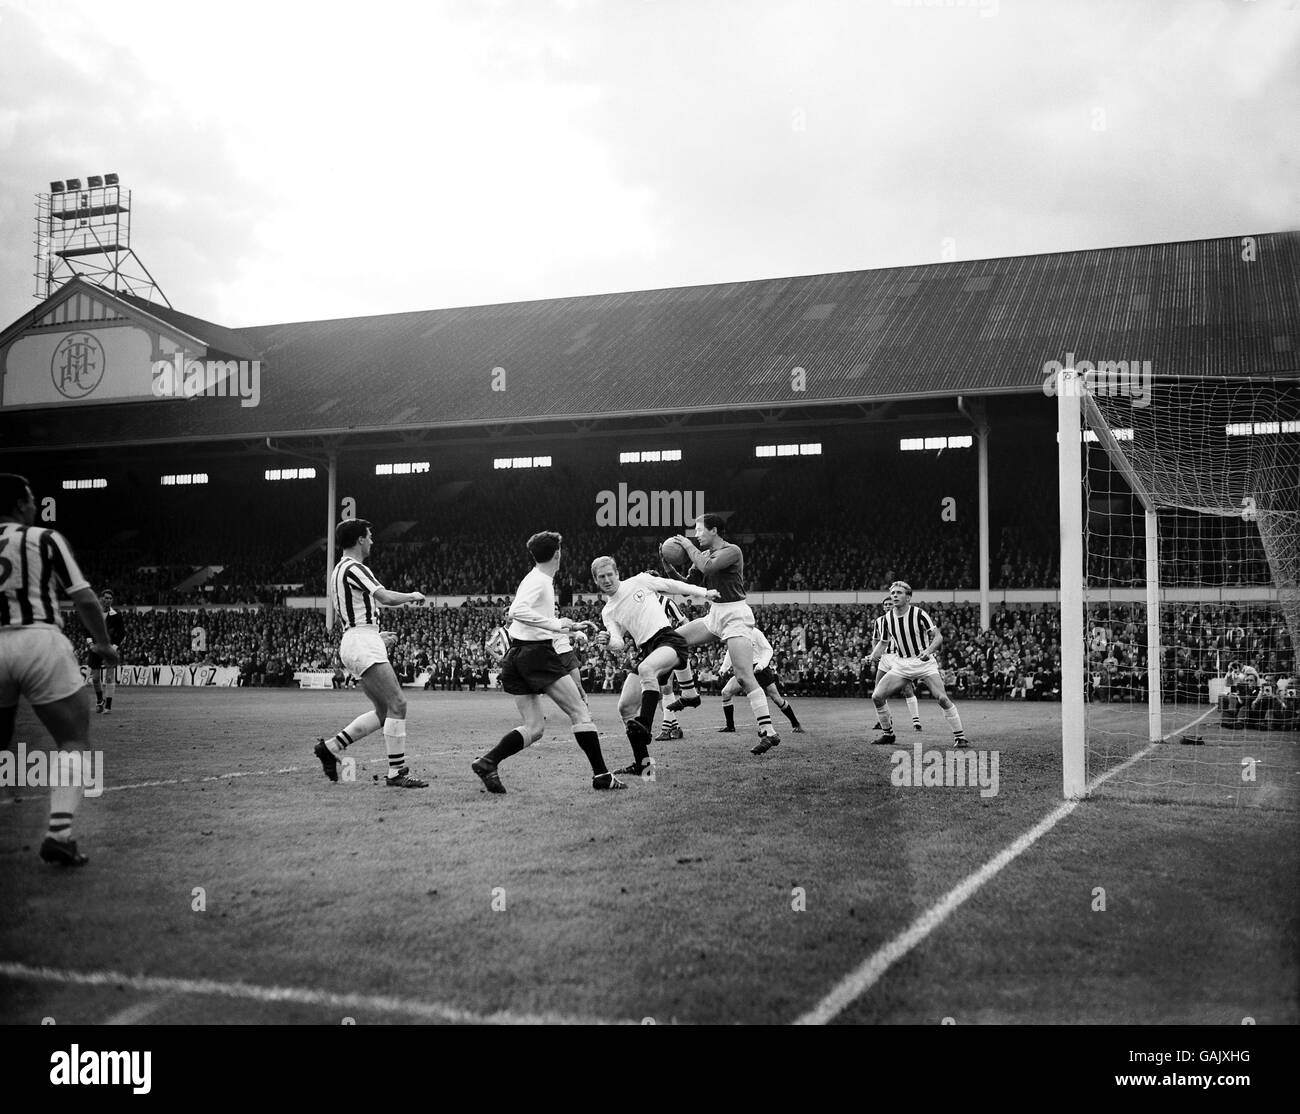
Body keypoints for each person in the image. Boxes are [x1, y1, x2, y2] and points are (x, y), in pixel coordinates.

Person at [0, 474, 118, 866]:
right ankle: (60, 833)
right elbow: (83, 597)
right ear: (20, 504)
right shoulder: (45, 539)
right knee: (72, 739)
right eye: (31, 498)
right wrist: (102, 642)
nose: (35, 505)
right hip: (39, 640)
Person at [471, 531, 625, 793]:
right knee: (580, 712)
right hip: (536, 655)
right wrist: (555, 623)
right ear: (557, 554)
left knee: (535, 727)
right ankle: (602, 776)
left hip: (518, 655)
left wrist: (569, 627)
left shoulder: (535, 578)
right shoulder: (541, 580)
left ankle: (488, 762)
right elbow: (516, 611)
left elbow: (530, 620)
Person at [313, 518, 429, 787]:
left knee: (383, 711)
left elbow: (355, 615)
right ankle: (397, 773)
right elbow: (385, 597)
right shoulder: (355, 567)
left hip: (357, 639)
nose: (373, 541)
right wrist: (412, 595)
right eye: (370, 536)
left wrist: (376, 636)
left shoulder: (338, 570)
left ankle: (330, 747)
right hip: (362, 642)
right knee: (398, 704)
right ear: (361, 540)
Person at [666, 515, 782, 754]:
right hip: (716, 614)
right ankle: (689, 694)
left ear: (714, 530)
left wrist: (687, 547)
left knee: (743, 676)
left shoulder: (732, 551)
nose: (695, 536)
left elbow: (707, 567)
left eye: (699, 531)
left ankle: (768, 731)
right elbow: (690, 584)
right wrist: (668, 568)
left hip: (735, 615)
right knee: (673, 640)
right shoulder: (704, 556)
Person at [591, 555, 717, 775]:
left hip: (669, 640)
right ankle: (644, 765)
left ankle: (646, 727)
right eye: (601, 577)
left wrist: (704, 592)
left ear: (617, 573)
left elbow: (671, 585)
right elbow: (619, 643)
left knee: (646, 670)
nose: (607, 579)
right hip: (646, 650)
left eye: (610, 574)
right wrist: (608, 641)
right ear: (596, 580)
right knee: (625, 707)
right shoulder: (607, 611)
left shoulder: (639, 581)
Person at [868, 581, 968, 749]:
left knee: (942, 698)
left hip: (924, 663)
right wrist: (873, 655)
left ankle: (961, 737)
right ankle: (888, 734)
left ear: (908, 597)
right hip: (901, 664)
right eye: (893, 593)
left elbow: (938, 637)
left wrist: (928, 651)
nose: (894, 596)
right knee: (877, 696)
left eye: (899, 593)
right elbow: (884, 642)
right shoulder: (886, 619)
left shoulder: (919, 614)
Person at [717, 625, 803, 734]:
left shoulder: (756, 632)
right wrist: (723, 668)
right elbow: (730, 652)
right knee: (726, 692)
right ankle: (730, 727)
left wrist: (761, 665)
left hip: (759, 668)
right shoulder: (734, 635)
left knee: (776, 698)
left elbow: (768, 649)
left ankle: (795, 724)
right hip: (745, 669)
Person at [869, 592, 922, 733]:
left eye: (890, 604)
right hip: (884, 658)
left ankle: (916, 721)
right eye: (885, 605)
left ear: (894, 605)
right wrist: (876, 653)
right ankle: (885, 720)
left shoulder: (902, 619)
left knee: (907, 689)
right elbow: (876, 640)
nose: (887, 606)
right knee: (878, 690)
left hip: (897, 657)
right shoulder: (879, 621)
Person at [89, 589, 124, 713]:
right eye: (106, 598)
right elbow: (87, 628)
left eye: (110, 598)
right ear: (101, 599)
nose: (108, 600)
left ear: (112, 600)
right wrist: (90, 643)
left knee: (109, 677)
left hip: (109, 650)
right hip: (96, 648)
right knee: (95, 678)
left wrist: (114, 646)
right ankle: (100, 700)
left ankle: (108, 706)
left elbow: (121, 633)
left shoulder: (117, 615)